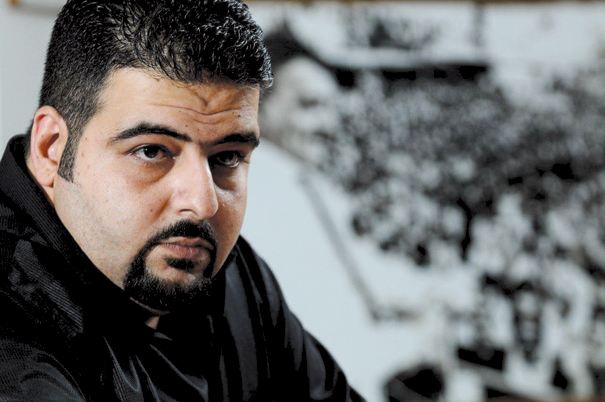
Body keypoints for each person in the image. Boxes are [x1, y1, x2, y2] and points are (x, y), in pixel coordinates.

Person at [0, 0, 364, 400]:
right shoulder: (16, 351)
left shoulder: (229, 278)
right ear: (52, 148)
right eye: (152, 151)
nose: (204, 204)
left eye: (227, 157)